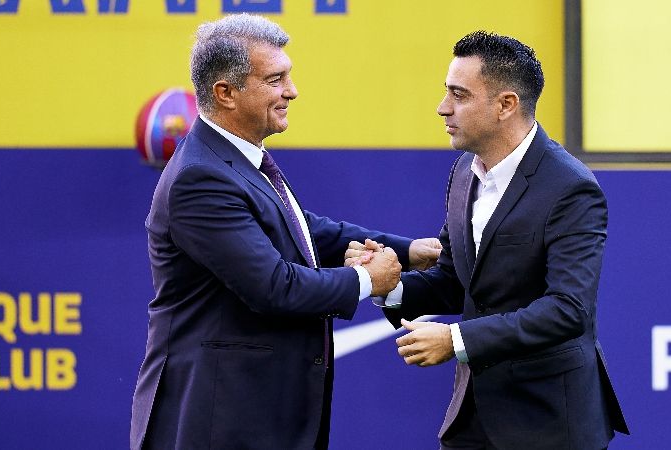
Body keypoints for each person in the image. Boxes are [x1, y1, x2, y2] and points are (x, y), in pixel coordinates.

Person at [129, 14, 440, 450]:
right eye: (275, 80)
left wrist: (408, 251)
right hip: (223, 422)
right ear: (226, 93)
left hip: (258, 416)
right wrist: (370, 279)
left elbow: (304, 230)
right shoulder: (199, 178)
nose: (292, 91)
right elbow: (273, 286)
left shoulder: (232, 157)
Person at [347, 32, 629, 449]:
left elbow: (568, 310)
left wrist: (456, 340)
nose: (443, 108)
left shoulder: (571, 187)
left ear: (506, 105)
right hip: (473, 419)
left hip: (550, 425)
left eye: (459, 95)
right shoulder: (464, 172)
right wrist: (386, 284)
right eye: (447, 93)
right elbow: (456, 282)